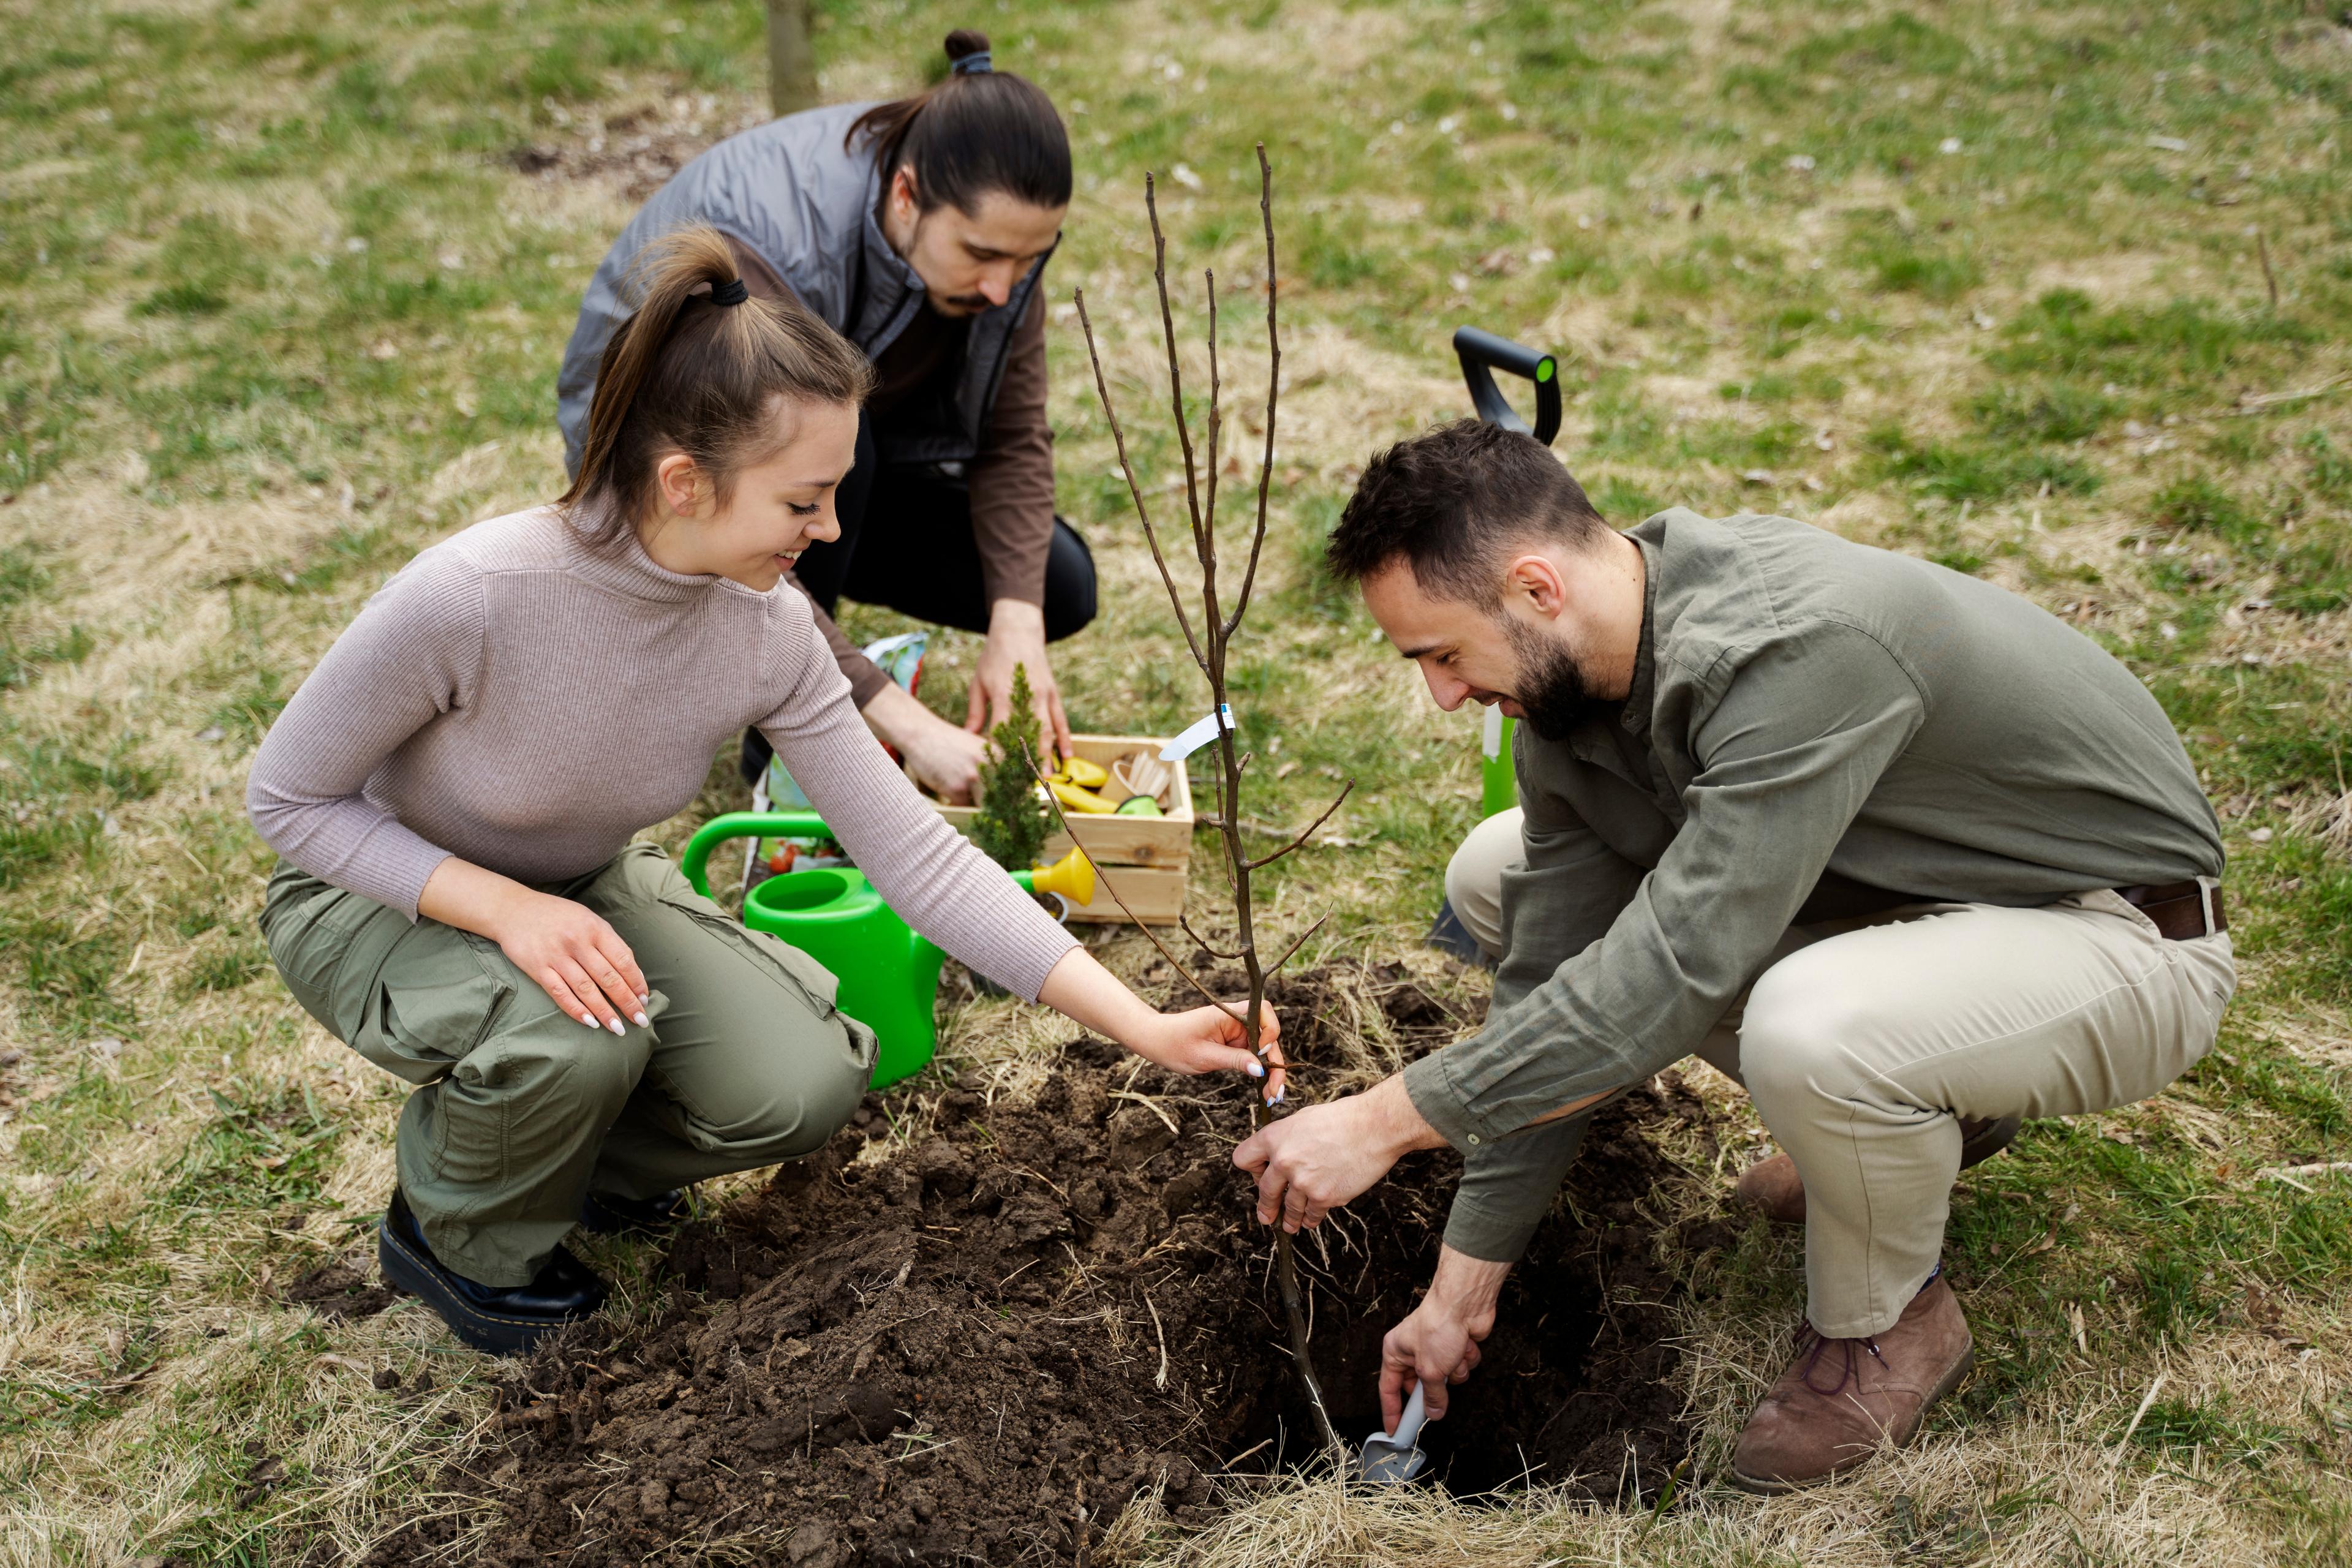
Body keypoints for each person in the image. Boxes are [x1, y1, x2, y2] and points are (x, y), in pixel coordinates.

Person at [252, 228, 1280, 1357]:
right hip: (372, 895)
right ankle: (456, 1228)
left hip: (575, 883)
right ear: (684, 482)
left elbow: (914, 854)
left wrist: (1144, 1026)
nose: (831, 531)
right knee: (580, 1040)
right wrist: (503, 909)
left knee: (802, 1079)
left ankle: (554, 1156)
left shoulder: (767, 629)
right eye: (804, 503)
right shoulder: (476, 594)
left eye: (836, 494)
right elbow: (291, 802)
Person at [1232, 420, 2233, 1491]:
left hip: (2120, 938)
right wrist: (1459, 1297)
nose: (1439, 694)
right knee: (1495, 873)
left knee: (1808, 1023)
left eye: (1442, 654)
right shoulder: (1576, 709)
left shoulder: (1793, 648)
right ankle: (1915, 1117)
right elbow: (1552, 990)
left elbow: (1671, 975)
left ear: (1535, 590)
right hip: (1927, 913)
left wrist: (1386, 1121)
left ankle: (1890, 1323)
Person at [559, 29, 1087, 804]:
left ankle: (810, 633)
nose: (1005, 287)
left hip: (827, 462)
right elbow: (734, 486)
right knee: (841, 448)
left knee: (1054, 584)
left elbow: (1011, 441)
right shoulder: (767, 252)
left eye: (1030, 258)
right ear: (906, 196)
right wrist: (898, 719)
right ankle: (783, 722)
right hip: (676, 489)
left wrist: (1017, 628)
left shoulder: (993, 257)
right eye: (982, 255)